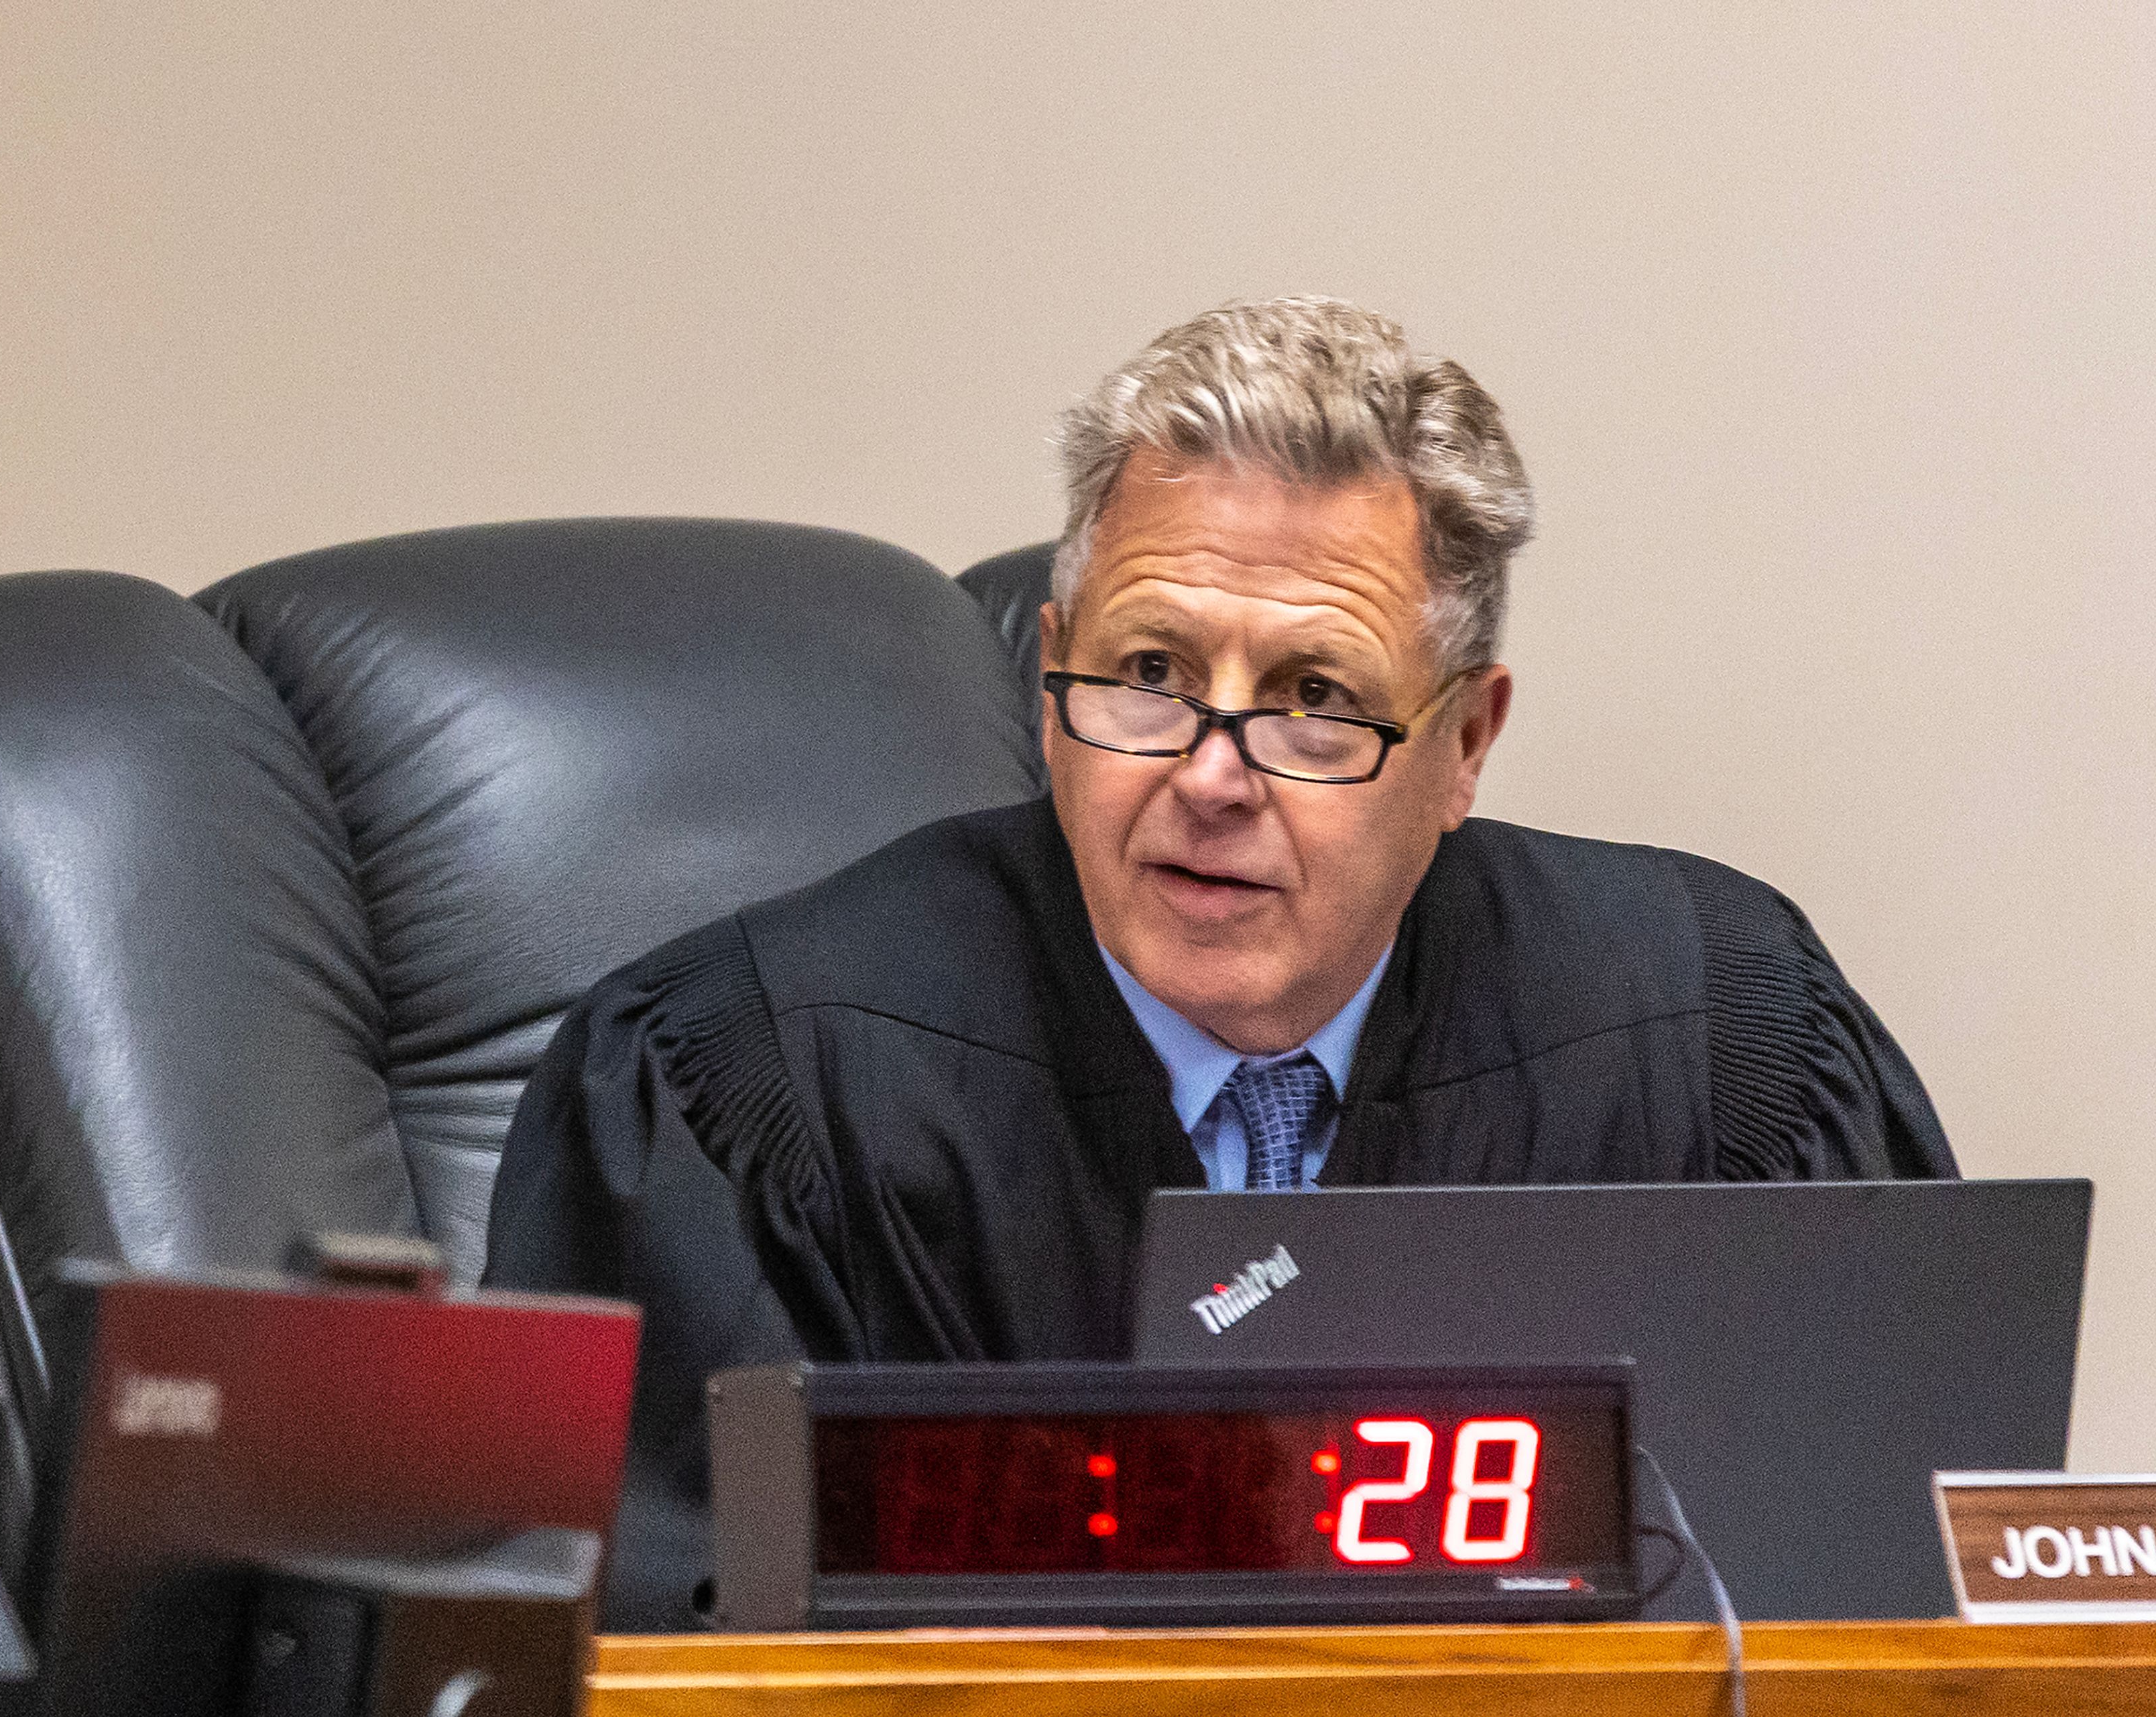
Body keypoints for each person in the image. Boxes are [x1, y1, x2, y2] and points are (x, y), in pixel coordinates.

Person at [482, 296, 1954, 1629]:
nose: (1211, 775)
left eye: (1317, 700)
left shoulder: (1719, 1046)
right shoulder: (753, 1085)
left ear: (1464, 745)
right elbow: (650, 1645)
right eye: (1148, 676)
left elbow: (1890, 1601)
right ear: (1052, 679)